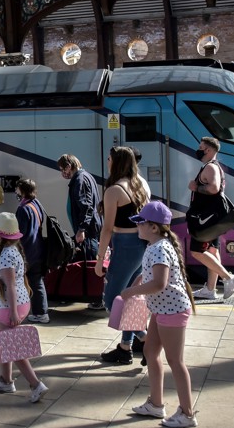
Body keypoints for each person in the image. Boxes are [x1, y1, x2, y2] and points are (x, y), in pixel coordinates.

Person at [124, 201, 197, 428]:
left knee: (176, 361)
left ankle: (187, 414)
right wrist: (138, 281)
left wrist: (132, 291)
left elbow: (159, 283)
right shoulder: (156, 245)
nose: (138, 227)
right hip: (161, 308)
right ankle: (156, 404)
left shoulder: (159, 248)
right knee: (150, 350)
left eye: (141, 223)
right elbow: (152, 277)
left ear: (153, 227)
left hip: (172, 310)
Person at [0, 211, 49, 403]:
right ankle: (5, 381)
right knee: (4, 342)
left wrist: (12, 312)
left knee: (13, 348)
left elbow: (10, 285)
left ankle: (36, 384)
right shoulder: (13, 250)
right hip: (18, 303)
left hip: (11, 306)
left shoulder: (4, 256)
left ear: (0, 235)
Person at [96, 146, 151, 364]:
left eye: (109, 158)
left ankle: (146, 339)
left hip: (125, 246)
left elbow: (107, 229)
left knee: (112, 300)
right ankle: (125, 347)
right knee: (131, 297)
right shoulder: (139, 185)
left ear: (116, 162)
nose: (107, 161)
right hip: (140, 244)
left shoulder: (114, 191)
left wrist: (100, 260)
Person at [187, 137, 234, 300]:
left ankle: (228, 277)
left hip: (205, 219)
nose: (198, 149)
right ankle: (210, 289)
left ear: (209, 150)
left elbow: (214, 188)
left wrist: (196, 187)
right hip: (212, 218)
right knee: (212, 251)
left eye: (201, 147)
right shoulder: (215, 166)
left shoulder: (210, 168)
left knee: (197, 252)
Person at [14, 178, 49, 324]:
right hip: (37, 248)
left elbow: (19, 232)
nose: (16, 191)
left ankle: (40, 313)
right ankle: (39, 311)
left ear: (22, 190)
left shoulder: (23, 209)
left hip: (27, 251)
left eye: (17, 188)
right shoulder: (36, 204)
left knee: (32, 281)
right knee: (36, 281)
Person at [58, 154, 101, 260]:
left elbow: (86, 207)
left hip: (87, 233)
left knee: (88, 265)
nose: (63, 173)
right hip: (89, 231)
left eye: (63, 169)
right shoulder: (86, 176)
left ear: (68, 166)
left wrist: (81, 229)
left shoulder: (79, 180)